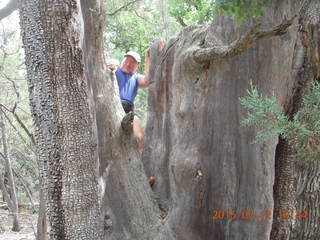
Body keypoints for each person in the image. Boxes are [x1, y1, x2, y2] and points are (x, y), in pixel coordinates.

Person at [108, 50, 150, 156]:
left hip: (129, 110)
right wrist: (111, 63)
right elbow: (108, 65)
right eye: (126, 60)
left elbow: (147, 81)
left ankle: (140, 161)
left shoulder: (136, 77)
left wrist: (148, 59)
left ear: (138, 66)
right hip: (112, 105)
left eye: (132, 62)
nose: (128, 64)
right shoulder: (115, 70)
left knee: (139, 137)